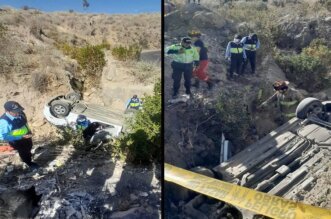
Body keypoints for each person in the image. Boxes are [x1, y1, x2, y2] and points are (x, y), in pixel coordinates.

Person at [0, 101, 39, 170]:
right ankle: (29, 163)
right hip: (17, 141)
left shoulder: (21, 113)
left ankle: (27, 157)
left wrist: (29, 132)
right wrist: (20, 137)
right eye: (15, 112)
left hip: (27, 136)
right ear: (7, 111)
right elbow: (3, 136)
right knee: (24, 152)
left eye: (18, 110)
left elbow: (24, 124)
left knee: (29, 147)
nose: (18, 113)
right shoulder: (4, 122)